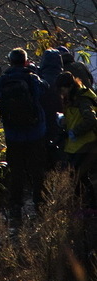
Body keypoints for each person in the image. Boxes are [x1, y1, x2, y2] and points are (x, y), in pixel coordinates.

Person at [0, 48, 49, 217]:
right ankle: (40, 202)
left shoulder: (3, 80)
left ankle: (15, 205)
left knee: (16, 170)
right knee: (37, 168)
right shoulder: (31, 78)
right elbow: (44, 88)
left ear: (10, 62)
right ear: (25, 61)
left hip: (13, 133)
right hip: (35, 131)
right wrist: (34, 71)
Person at [57, 70, 97, 206]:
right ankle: (85, 207)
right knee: (80, 177)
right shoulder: (73, 98)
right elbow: (76, 117)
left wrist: (75, 131)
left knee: (76, 177)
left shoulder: (82, 99)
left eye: (62, 90)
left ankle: (88, 207)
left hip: (86, 144)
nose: (61, 93)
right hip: (77, 145)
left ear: (68, 87)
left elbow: (91, 119)